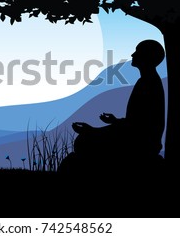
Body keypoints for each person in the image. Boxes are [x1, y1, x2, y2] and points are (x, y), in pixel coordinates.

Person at [59, 40, 166, 182]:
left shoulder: (149, 84)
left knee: (84, 141)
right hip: (138, 138)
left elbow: (139, 127)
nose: (133, 54)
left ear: (147, 57)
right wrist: (114, 122)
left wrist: (93, 131)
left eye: (138, 51)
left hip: (141, 143)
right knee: (84, 140)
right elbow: (137, 121)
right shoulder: (147, 81)